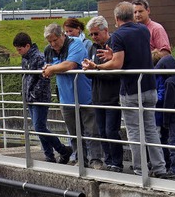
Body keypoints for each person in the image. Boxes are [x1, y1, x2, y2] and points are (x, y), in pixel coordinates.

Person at [82, 1, 168, 178]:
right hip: (149, 86)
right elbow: (132, 55)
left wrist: (96, 67)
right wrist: (112, 56)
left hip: (130, 89)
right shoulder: (143, 30)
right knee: (151, 129)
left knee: (134, 131)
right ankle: (160, 168)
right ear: (132, 15)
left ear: (116, 18)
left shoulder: (119, 35)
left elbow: (118, 64)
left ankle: (139, 169)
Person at [42, 23, 104, 169]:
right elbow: (48, 69)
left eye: (55, 40)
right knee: (74, 133)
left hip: (85, 96)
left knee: (92, 130)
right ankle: (80, 159)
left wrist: (52, 68)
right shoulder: (48, 50)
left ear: (62, 35)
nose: (52, 44)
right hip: (66, 98)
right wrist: (50, 68)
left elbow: (70, 65)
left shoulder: (75, 43)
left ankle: (96, 160)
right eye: (49, 42)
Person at [13, 32, 72, 164]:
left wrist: (33, 93)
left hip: (39, 98)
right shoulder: (26, 59)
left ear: (27, 46)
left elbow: (44, 78)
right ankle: (49, 155)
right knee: (38, 127)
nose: (18, 52)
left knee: (39, 126)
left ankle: (62, 150)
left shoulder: (39, 58)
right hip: (31, 97)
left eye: (20, 49)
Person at [84, 16, 123, 172]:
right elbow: (90, 73)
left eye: (96, 33)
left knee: (111, 130)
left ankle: (117, 162)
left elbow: (116, 72)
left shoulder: (114, 45)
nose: (94, 37)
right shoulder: (92, 48)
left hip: (112, 95)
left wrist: (97, 70)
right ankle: (109, 160)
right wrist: (89, 69)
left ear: (105, 30)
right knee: (101, 131)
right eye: (91, 34)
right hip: (97, 96)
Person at [132, 0, 171, 64]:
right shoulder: (132, 31)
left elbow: (166, 54)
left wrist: (149, 57)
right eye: (135, 12)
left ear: (148, 11)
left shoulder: (157, 28)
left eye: (140, 11)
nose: (137, 15)